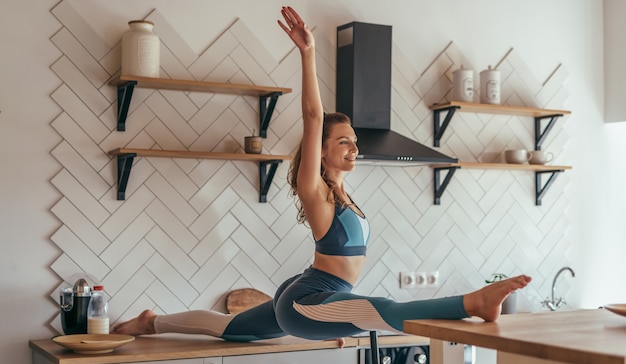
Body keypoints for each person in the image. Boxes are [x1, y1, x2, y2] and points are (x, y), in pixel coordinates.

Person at [112, 6, 531, 341]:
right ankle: (473, 303)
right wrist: (308, 52)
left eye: (355, 141)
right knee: (382, 310)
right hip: (309, 300)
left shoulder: (346, 197)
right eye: (343, 141)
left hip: (316, 294)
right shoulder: (314, 190)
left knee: (230, 329)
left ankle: (151, 322)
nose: (354, 147)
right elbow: (313, 116)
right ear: (322, 151)